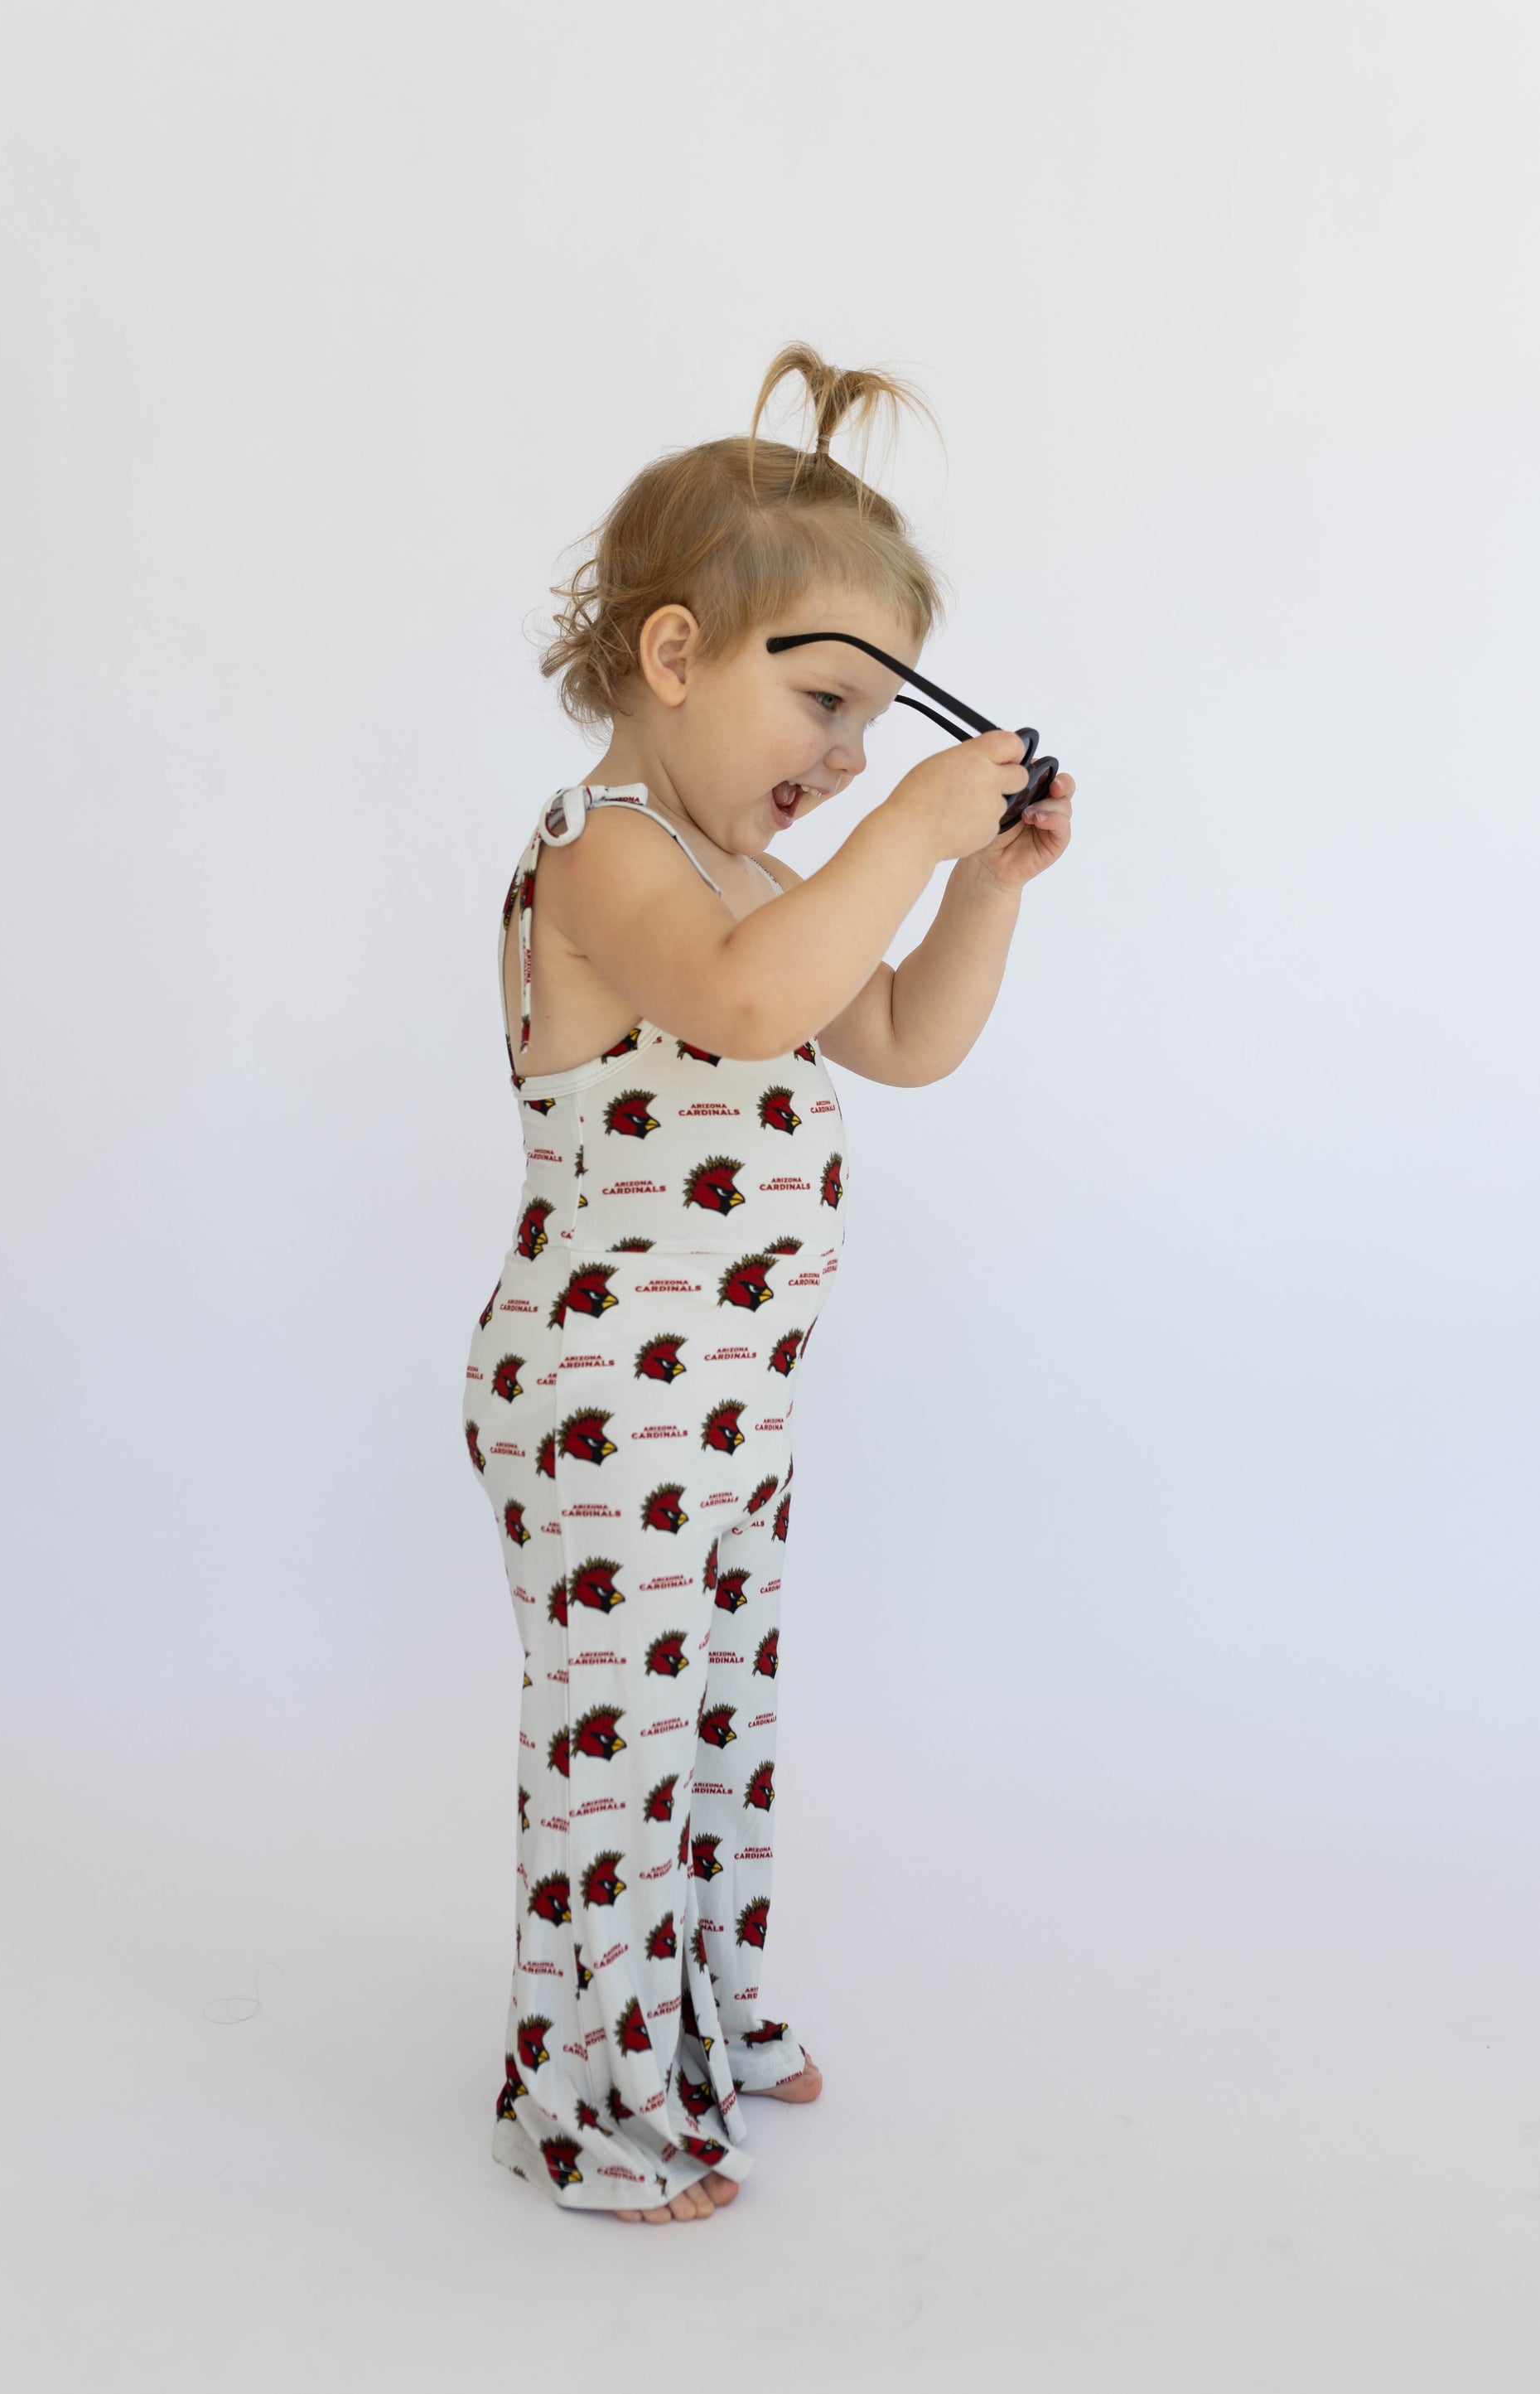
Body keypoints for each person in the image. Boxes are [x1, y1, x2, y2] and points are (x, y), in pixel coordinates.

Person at [463, 341, 1074, 2222]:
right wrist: (901, 836)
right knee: (616, 1758)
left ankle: (699, 2022)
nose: (848, 760)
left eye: (877, 728)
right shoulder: (605, 855)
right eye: (822, 700)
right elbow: (741, 1012)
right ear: (672, 657)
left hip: (721, 1404)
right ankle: (578, 2105)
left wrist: (978, 887)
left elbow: (893, 1037)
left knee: (717, 1730)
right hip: (605, 1401)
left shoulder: (744, 871)